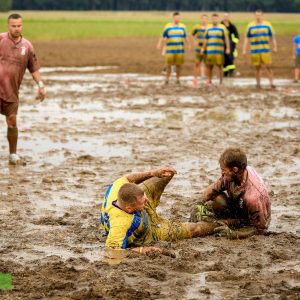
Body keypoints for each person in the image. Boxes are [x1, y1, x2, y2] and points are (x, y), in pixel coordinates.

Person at [100, 166, 222, 255]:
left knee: (167, 173)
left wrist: (152, 172)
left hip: (139, 206)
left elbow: (128, 178)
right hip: (151, 231)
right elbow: (112, 251)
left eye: (145, 197)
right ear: (129, 208)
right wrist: (143, 250)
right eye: (143, 200)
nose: (147, 199)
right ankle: (224, 224)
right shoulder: (120, 224)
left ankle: (144, 193)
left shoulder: (117, 189)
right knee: (195, 229)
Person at [191, 148, 271, 240]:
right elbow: (213, 189)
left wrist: (235, 234)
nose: (222, 173)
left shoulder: (253, 196)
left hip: (253, 219)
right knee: (219, 200)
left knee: (211, 226)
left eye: (223, 170)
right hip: (239, 207)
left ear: (235, 169)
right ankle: (230, 220)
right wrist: (199, 203)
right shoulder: (234, 174)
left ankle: (232, 223)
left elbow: (260, 229)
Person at [0, 13, 46, 165]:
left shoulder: (27, 46)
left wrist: (41, 86)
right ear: (8, 26)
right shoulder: (1, 39)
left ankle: (13, 155)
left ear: (22, 26)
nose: (16, 28)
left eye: (19, 25)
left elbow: (34, 69)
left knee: (12, 121)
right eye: (13, 26)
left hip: (11, 92)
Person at [242, 9, 277, 89]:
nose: (258, 17)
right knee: (257, 67)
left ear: (262, 15)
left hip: (265, 50)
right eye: (256, 15)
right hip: (255, 50)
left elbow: (273, 37)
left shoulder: (267, 25)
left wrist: (275, 47)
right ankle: (258, 84)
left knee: (268, 66)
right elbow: (246, 38)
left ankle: (271, 83)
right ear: (255, 16)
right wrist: (244, 49)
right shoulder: (250, 26)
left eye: (259, 15)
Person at [157, 12, 190, 85]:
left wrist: (188, 44)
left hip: (180, 49)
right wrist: (160, 43)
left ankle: (178, 79)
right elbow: (163, 36)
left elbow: (185, 36)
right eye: (176, 17)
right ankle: (167, 79)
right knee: (168, 65)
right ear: (173, 18)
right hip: (170, 49)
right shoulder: (168, 26)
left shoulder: (183, 26)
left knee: (179, 65)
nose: (178, 19)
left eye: (179, 17)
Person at [201, 13, 230, 87]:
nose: (214, 20)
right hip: (210, 50)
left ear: (218, 19)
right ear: (211, 19)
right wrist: (203, 48)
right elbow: (205, 39)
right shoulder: (208, 28)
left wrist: (228, 48)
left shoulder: (222, 28)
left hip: (219, 51)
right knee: (209, 66)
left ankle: (220, 82)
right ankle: (209, 81)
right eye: (213, 18)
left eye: (216, 18)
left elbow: (226, 38)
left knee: (220, 66)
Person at [190, 14, 209, 87]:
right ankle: (195, 79)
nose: (204, 20)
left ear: (207, 20)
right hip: (198, 48)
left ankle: (207, 80)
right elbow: (191, 34)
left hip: (207, 48)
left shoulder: (209, 28)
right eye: (203, 19)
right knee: (197, 63)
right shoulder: (196, 27)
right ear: (201, 19)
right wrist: (194, 41)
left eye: (205, 19)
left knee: (207, 64)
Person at [221, 12, 239, 77]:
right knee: (224, 60)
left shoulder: (232, 27)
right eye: (224, 16)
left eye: (227, 16)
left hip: (231, 46)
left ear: (229, 17)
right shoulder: (220, 25)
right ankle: (225, 73)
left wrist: (233, 44)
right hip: (221, 45)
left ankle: (232, 71)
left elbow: (237, 37)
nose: (225, 18)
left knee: (230, 58)